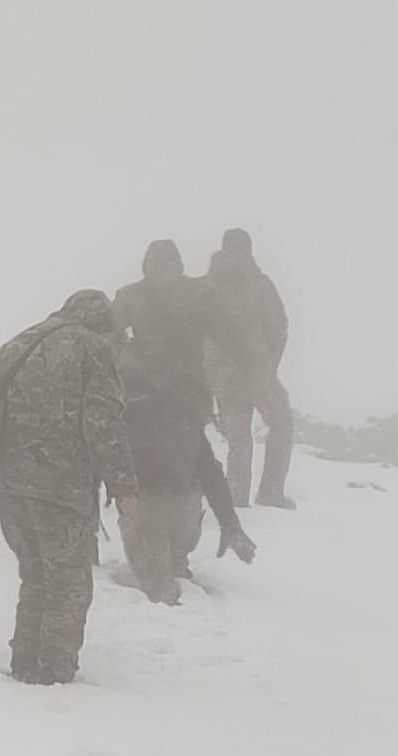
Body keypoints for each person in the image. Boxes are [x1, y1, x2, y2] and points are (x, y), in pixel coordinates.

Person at [0, 290, 137, 684]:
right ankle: (54, 672)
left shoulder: (17, 343)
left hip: (5, 485)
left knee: (36, 575)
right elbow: (103, 421)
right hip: (58, 486)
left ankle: (25, 661)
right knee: (68, 583)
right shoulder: (92, 348)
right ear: (101, 323)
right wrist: (123, 483)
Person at [113, 241, 255, 604]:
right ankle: (166, 565)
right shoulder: (191, 294)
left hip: (173, 402)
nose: (164, 275)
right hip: (173, 402)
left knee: (185, 473)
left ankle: (173, 560)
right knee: (178, 475)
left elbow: (227, 334)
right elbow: (228, 334)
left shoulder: (169, 295)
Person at [203, 227, 294, 508]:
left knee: (238, 436)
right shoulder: (260, 285)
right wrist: (269, 365)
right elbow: (279, 329)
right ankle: (270, 492)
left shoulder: (206, 286)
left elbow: (195, 330)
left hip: (221, 374)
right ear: (249, 250)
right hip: (257, 371)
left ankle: (236, 499)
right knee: (282, 424)